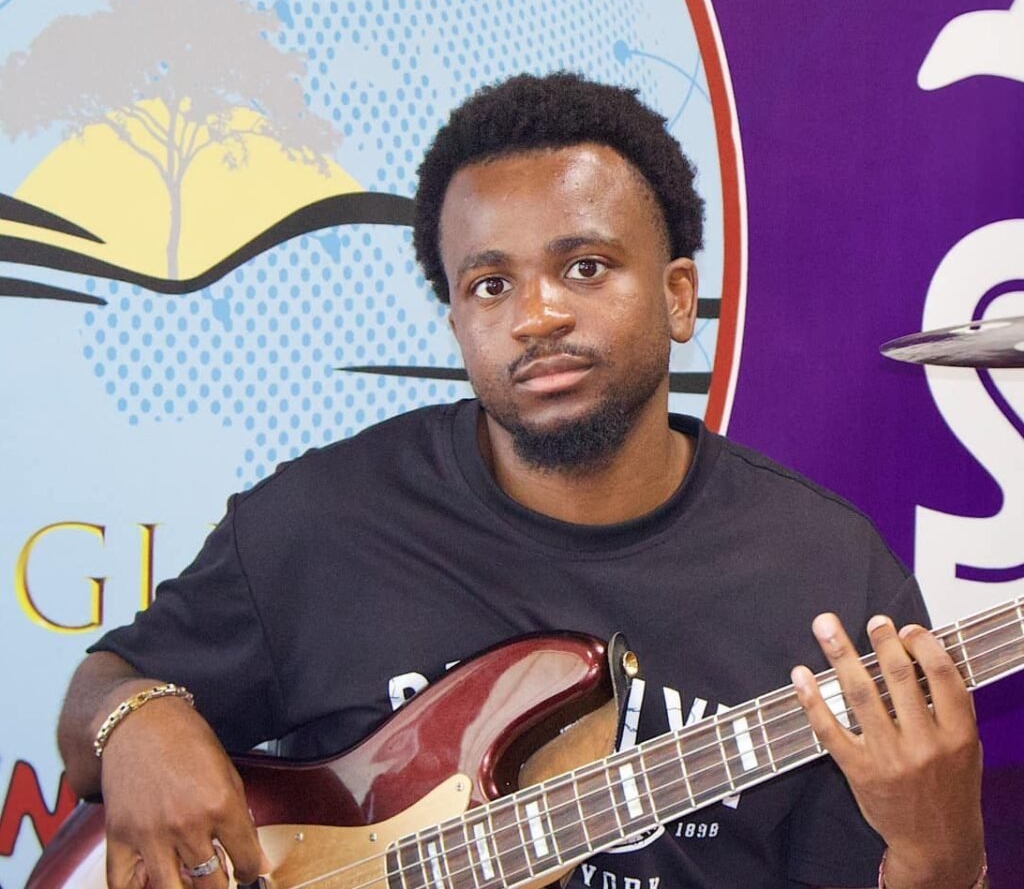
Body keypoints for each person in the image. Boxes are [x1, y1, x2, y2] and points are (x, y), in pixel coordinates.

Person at [57, 73, 986, 889]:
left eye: (584, 267)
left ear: (677, 297)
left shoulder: (825, 573)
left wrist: (940, 853)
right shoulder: (324, 520)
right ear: (458, 322)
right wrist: (135, 723)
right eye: (490, 285)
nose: (537, 316)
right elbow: (99, 692)